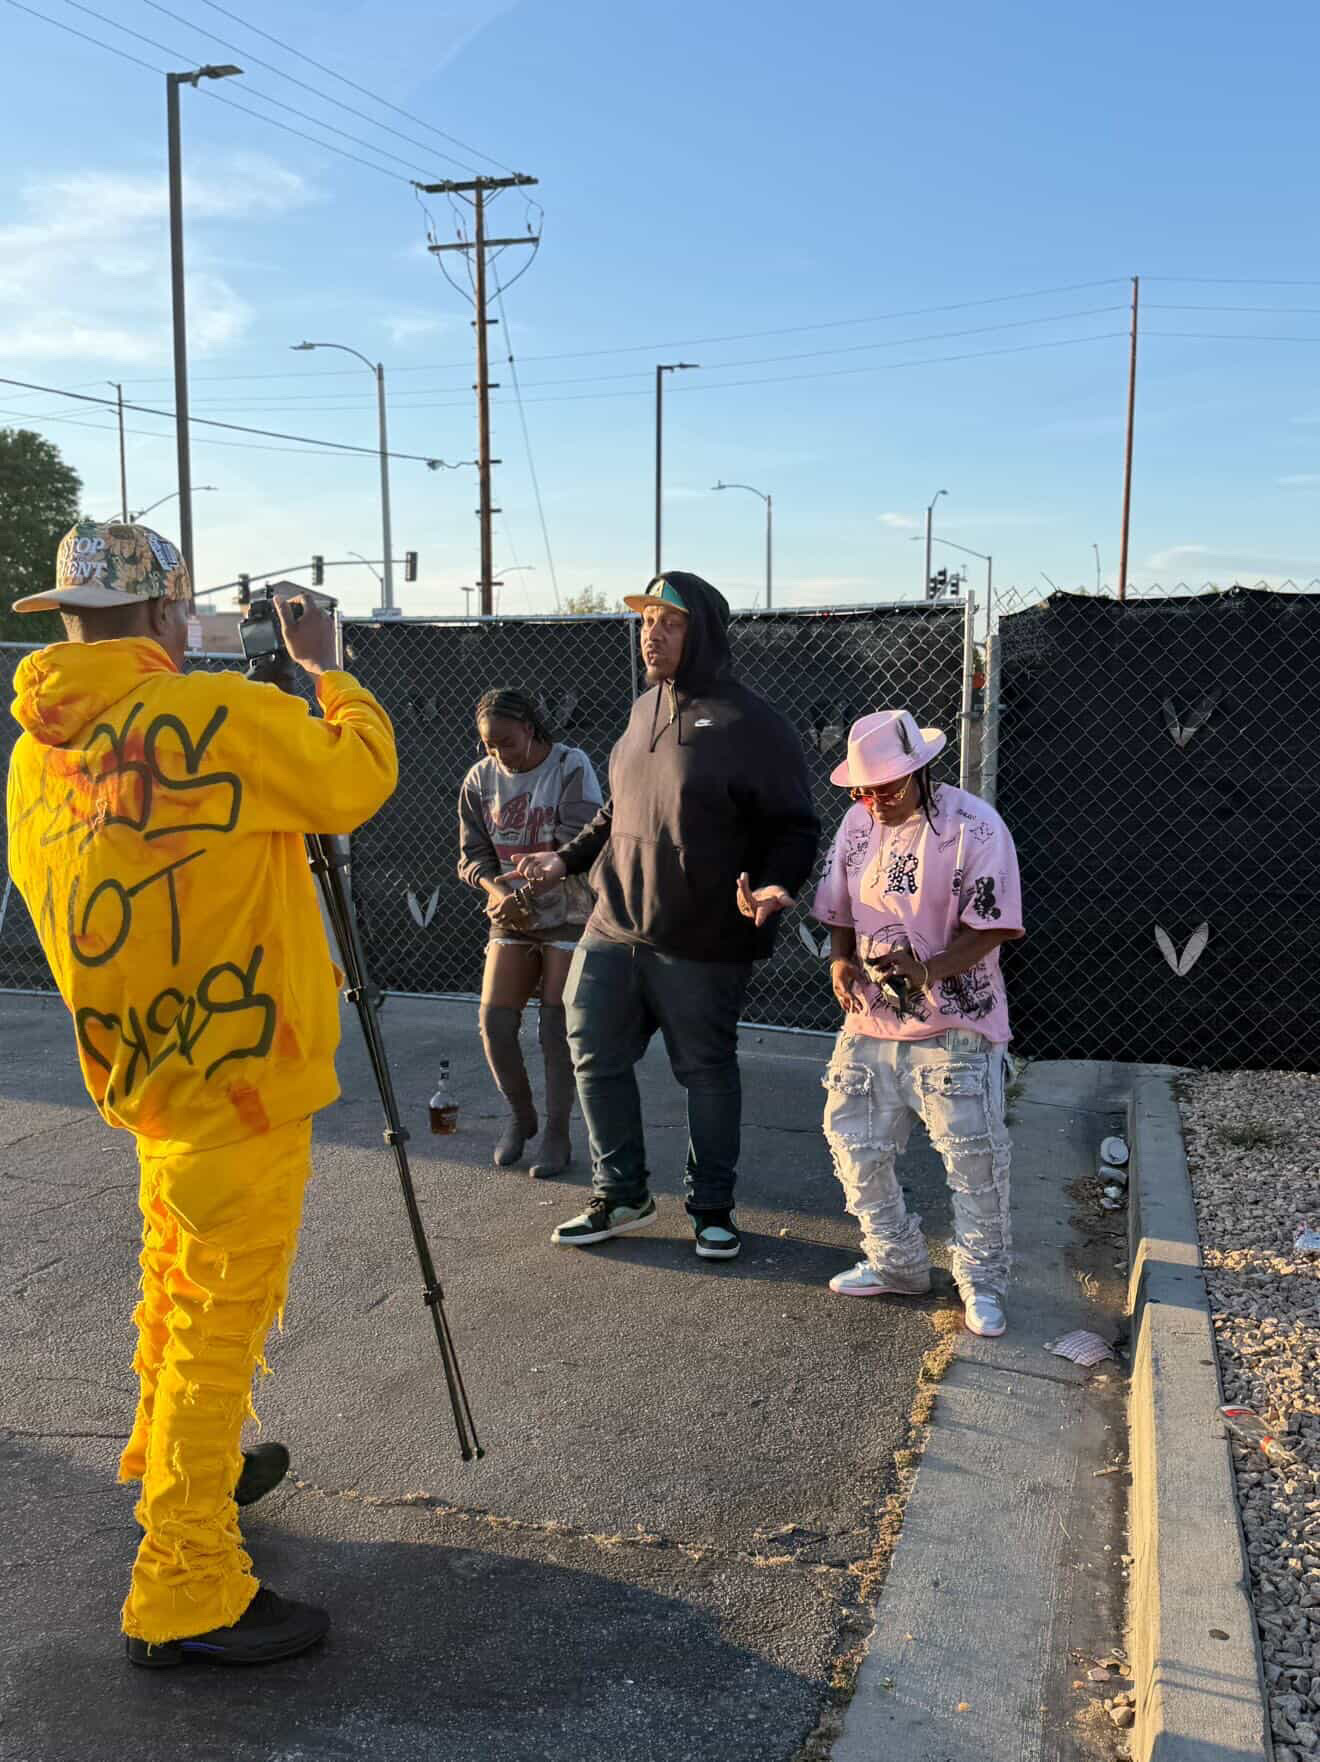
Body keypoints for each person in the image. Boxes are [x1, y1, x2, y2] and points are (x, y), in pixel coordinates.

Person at [5, 520, 397, 1666]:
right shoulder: (219, 718)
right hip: (242, 1078)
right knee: (218, 1321)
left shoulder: (37, 748)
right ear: (169, 617)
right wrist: (330, 670)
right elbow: (355, 779)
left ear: (65, 615)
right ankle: (187, 1580)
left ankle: (188, 1466)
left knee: (177, 1283)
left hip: (144, 1071)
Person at [517, 572, 819, 1261]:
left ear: (703, 632)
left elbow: (795, 827)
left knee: (706, 1071)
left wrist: (775, 885)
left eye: (670, 622)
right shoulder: (642, 709)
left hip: (704, 938)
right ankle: (621, 1194)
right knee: (590, 1052)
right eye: (647, 620)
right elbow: (615, 811)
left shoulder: (752, 724)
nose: (651, 633)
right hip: (614, 922)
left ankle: (711, 1208)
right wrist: (561, 861)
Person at [811, 709, 1024, 1338]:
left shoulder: (973, 827)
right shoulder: (857, 825)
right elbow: (838, 906)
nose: (872, 800)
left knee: (974, 1158)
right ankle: (897, 1261)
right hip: (871, 1019)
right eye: (862, 789)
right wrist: (842, 961)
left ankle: (982, 1283)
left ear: (922, 770)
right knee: (852, 1141)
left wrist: (928, 969)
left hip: (957, 1022)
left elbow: (997, 925)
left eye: (886, 788)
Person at [458, 687, 603, 1176]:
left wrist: (535, 882)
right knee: (496, 1021)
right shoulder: (480, 779)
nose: (497, 753)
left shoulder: (569, 765)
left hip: (566, 910)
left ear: (531, 728)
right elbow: (472, 854)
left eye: (506, 741)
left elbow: (582, 841)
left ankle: (559, 1132)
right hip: (511, 915)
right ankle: (522, 1118)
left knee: (555, 1026)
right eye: (488, 744)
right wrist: (494, 890)